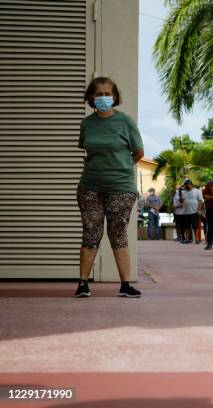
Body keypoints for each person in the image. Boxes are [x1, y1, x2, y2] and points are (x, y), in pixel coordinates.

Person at [74, 77, 143, 298]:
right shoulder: (87, 124)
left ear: (114, 97)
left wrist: (120, 168)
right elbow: (86, 149)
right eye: (98, 94)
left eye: (107, 93)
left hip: (121, 188)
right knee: (91, 233)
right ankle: (83, 284)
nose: (103, 98)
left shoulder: (125, 122)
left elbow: (138, 152)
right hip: (90, 187)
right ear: (91, 98)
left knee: (118, 233)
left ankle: (125, 284)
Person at [179, 179, 203, 244]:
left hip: (194, 211)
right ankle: (187, 239)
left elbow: (200, 201)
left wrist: (199, 209)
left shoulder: (197, 191)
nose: (187, 186)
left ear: (191, 184)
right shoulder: (183, 192)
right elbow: (181, 201)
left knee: (196, 226)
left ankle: (197, 239)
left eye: (188, 185)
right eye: (186, 185)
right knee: (187, 227)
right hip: (185, 212)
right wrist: (180, 193)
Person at [202, 178, 213, 250]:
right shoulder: (210, 183)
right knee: (211, 226)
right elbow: (205, 195)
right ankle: (209, 243)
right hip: (211, 208)